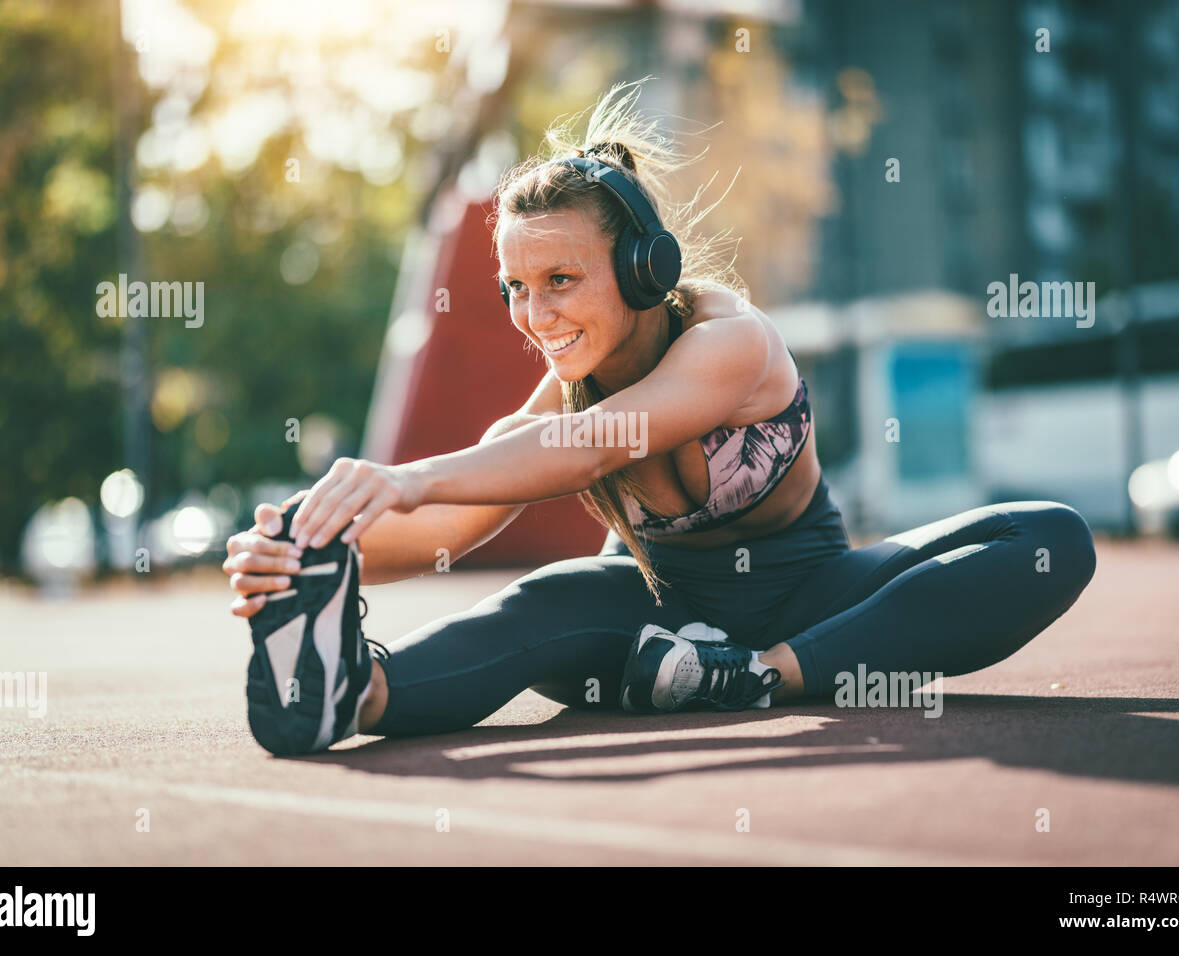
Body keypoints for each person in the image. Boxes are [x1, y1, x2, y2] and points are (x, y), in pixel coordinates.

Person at [222, 79, 1097, 756]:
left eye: (561, 281)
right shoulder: (562, 394)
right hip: (650, 626)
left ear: (645, 269)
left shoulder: (732, 343)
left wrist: (403, 477)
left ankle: (756, 678)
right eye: (516, 290)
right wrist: (312, 556)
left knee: (1049, 537)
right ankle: (353, 692)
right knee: (542, 604)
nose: (536, 315)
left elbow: (594, 445)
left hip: (816, 606)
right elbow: (461, 519)